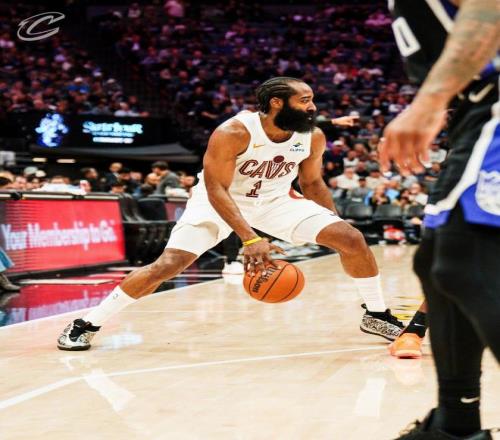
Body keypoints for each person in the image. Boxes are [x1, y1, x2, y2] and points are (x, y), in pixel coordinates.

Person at [57, 77, 403, 351]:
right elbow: (216, 188)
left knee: (351, 238)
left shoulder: (311, 136)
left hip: (274, 200)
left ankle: (375, 314)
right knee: (168, 265)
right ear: (276, 102)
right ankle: (87, 323)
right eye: (305, 100)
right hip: (217, 200)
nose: (312, 106)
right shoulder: (233, 132)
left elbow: (311, 183)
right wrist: (250, 239)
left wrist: (332, 221)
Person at [380, 1, 500, 438]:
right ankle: (456, 425)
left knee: (463, 260)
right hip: (474, 113)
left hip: (492, 103)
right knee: (434, 261)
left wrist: (428, 101)